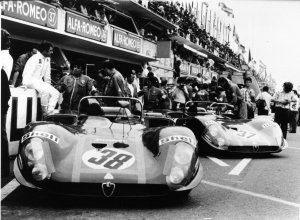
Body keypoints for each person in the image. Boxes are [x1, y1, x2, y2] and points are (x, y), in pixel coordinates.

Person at [22, 41, 60, 115]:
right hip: (31, 80)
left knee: (56, 93)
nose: (52, 52)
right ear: (44, 51)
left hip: (39, 82)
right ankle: (44, 112)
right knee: (45, 91)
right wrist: (25, 84)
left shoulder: (47, 59)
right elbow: (27, 72)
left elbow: (47, 74)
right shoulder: (34, 58)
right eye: (50, 50)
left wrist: (48, 85)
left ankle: (50, 112)